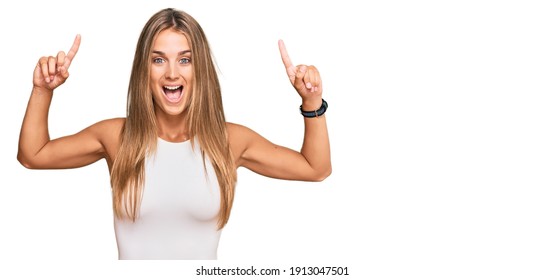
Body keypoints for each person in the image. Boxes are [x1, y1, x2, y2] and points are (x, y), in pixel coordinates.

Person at [17, 8, 331, 260]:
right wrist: (42, 90)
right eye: (158, 60)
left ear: (200, 69)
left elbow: (315, 169)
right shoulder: (116, 136)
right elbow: (33, 155)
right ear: (145, 69)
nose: (171, 73)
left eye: (185, 59)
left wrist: (312, 102)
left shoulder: (230, 141)